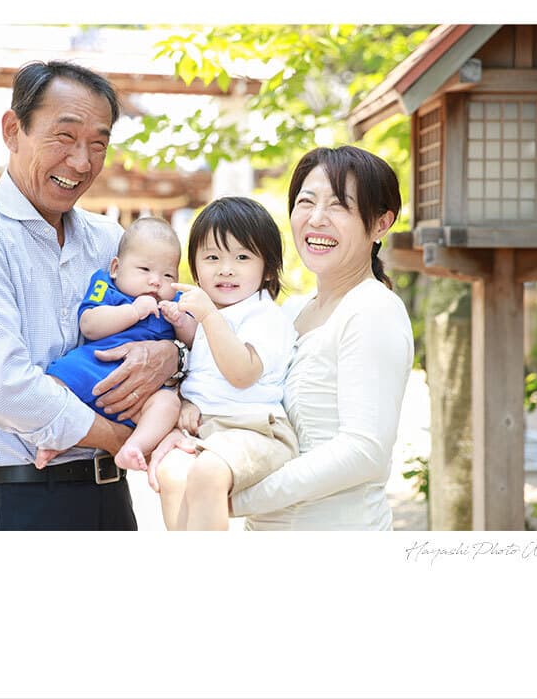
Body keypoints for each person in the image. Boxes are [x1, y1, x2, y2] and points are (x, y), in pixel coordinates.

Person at [0, 60, 186, 531]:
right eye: (64, 137)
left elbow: (175, 321)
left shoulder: (112, 243)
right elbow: (4, 389)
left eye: (98, 144)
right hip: (16, 502)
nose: (82, 163)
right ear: (13, 130)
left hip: (112, 499)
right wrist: (121, 438)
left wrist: (171, 357)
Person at [148, 145, 414, 530]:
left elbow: (364, 452)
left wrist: (222, 494)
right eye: (306, 202)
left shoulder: (373, 310)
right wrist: (187, 420)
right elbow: (238, 395)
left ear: (380, 224)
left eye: (339, 205)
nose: (317, 218)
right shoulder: (291, 312)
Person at [151, 196, 298, 531]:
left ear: (268, 268)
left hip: (258, 430)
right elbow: (203, 373)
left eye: (242, 257)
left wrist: (207, 316)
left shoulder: (264, 316)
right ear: (195, 268)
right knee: (171, 471)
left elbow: (241, 374)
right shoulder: (212, 316)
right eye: (212, 257)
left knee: (207, 473)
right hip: (209, 431)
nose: (226, 268)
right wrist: (186, 402)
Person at [41, 216, 189, 472]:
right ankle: (56, 439)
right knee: (50, 387)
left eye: (168, 275)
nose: (156, 281)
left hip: (142, 391)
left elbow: (195, 342)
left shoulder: (174, 302)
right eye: (145, 270)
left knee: (168, 405)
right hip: (94, 366)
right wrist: (133, 311)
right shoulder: (106, 287)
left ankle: (134, 447)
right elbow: (89, 324)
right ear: (115, 268)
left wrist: (181, 321)